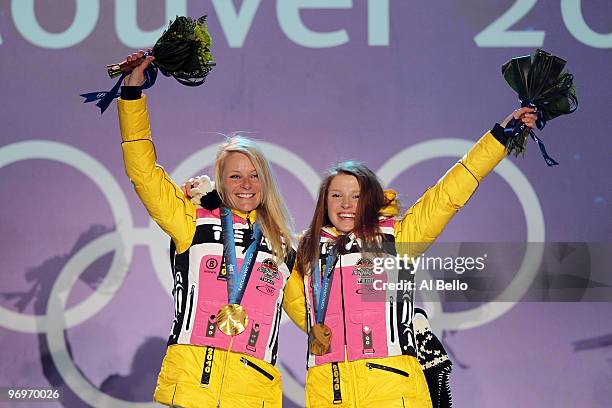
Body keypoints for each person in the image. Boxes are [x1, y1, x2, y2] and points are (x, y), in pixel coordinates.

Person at [283, 107, 537, 407]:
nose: (346, 204)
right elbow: (299, 305)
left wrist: (497, 139)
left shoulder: (397, 239)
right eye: (336, 195)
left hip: (392, 389)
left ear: (371, 199)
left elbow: (446, 197)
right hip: (328, 391)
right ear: (324, 202)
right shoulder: (307, 251)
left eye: (356, 195)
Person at [117, 51, 305, 408]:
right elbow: (143, 173)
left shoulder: (284, 249)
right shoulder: (192, 223)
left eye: (254, 175)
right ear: (221, 181)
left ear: (266, 182)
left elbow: (320, 320)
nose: (245, 184)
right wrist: (132, 96)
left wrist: (407, 321)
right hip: (191, 392)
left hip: (253, 397)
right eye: (235, 175)